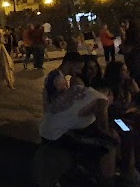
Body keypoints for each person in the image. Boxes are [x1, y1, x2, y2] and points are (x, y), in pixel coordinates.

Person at [40, 52, 118, 184]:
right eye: (80, 68)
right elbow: (103, 127)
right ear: (109, 94)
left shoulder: (73, 86)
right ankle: (108, 181)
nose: (80, 71)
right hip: (57, 134)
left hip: (49, 127)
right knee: (109, 143)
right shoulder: (101, 99)